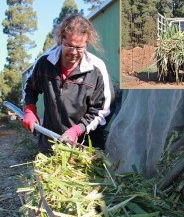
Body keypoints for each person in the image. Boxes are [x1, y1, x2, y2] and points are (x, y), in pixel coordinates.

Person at [22, 14, 116, 153]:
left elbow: (103, 111)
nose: (73, 52)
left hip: (84, 148)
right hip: (50, 144)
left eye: (79, 48)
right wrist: (30, 110)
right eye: (69, 45)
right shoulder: (45, 63)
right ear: (61, 40)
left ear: (87, 44)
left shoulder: (96, 70)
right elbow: (30, 87)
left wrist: (77, 130)